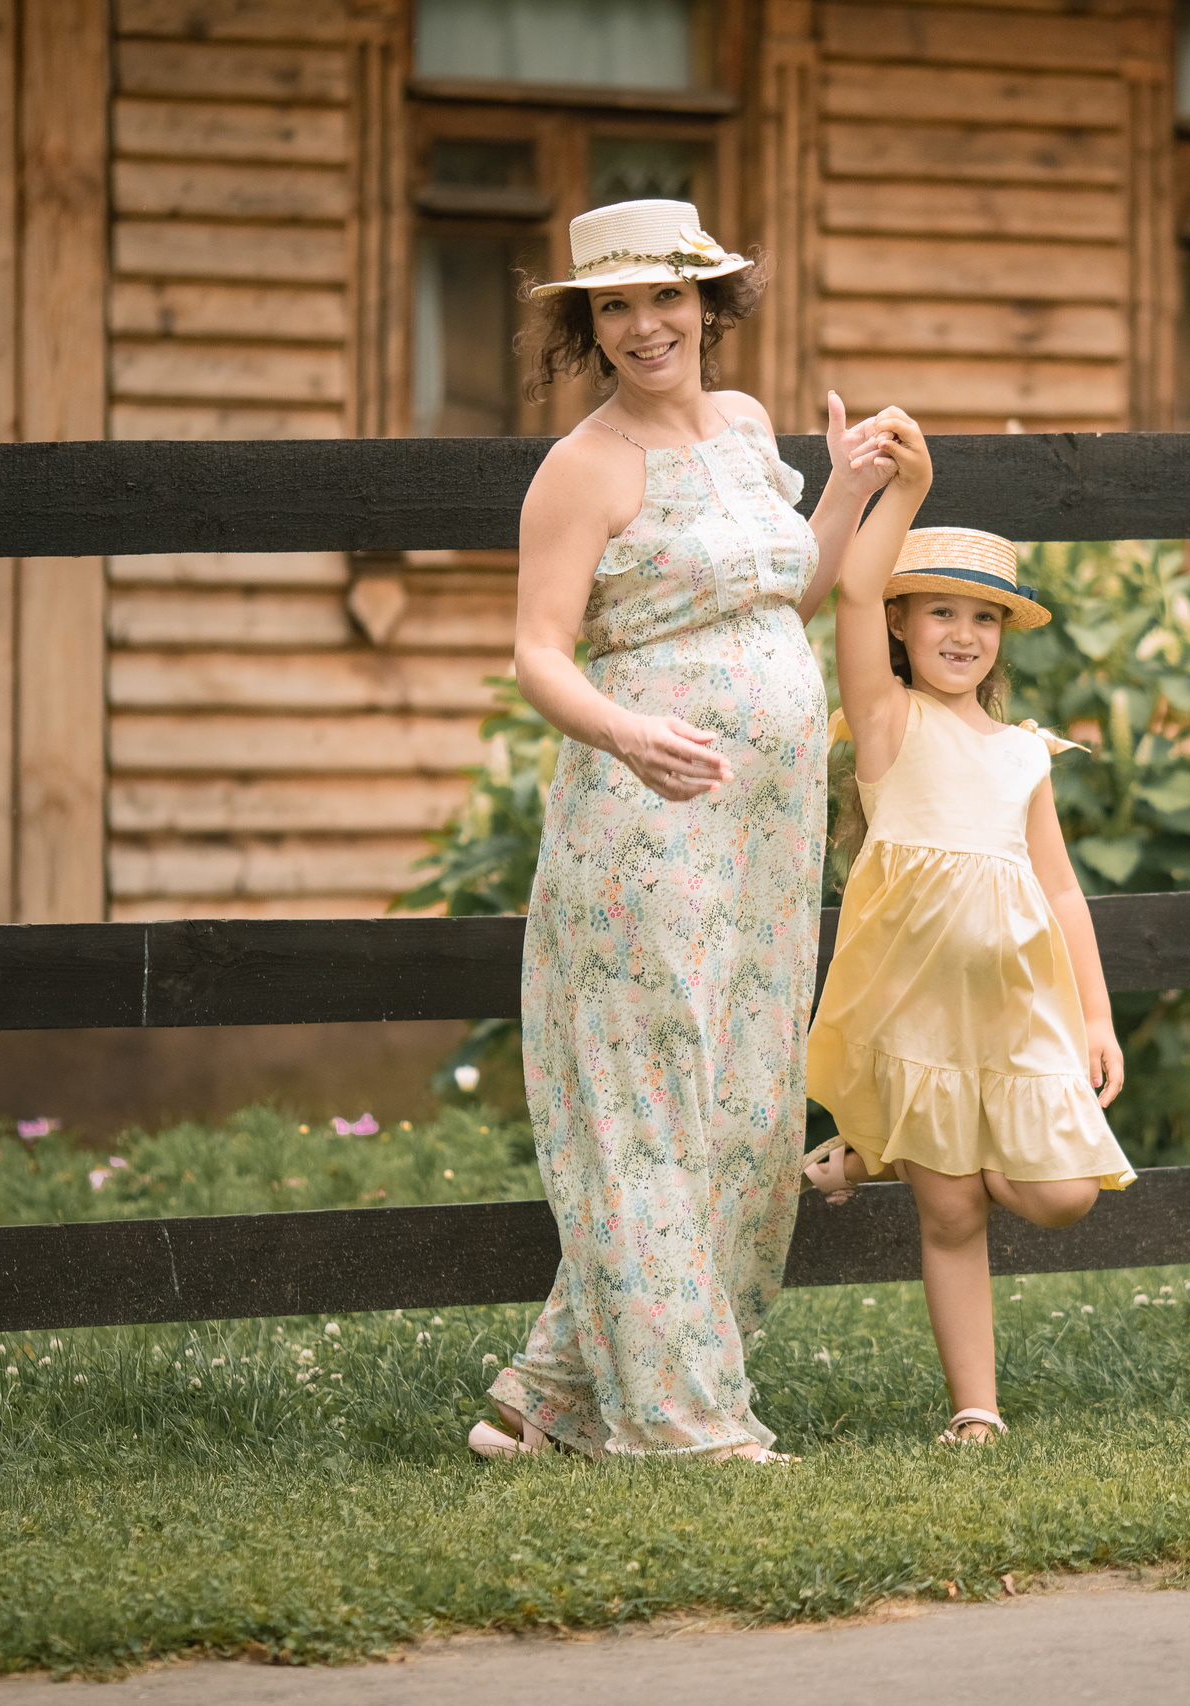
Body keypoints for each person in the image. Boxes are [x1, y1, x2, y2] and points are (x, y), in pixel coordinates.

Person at [469, 198, 901, 1464]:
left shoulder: (747, 424)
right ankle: (682, 1422)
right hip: (642, 831)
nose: (644, 325)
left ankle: (551, 1403)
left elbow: (787, 593)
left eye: (666, 298)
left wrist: (852, 491)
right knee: (648, 1105)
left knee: (745, 1115)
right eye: (615, 305)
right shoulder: (584, 465)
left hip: (764, 842)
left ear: (709, 304)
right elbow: (537, 652)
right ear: (588, 325)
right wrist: (621, 731)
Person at [801, 414, 1136, 1447]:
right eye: (938, 611)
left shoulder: (1024, 752)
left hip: (1018, 1013)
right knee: (952, 1217)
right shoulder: (891, 723)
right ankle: (976, 1407)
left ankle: (871, 1156)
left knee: (1063, 1192)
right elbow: (851, 586)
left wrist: (1096, 1017)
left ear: (1001, 634)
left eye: (981, 618)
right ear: (902, 626)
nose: (960, 633)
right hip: (918, 1015)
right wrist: (906, 487)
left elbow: (1065, 890)